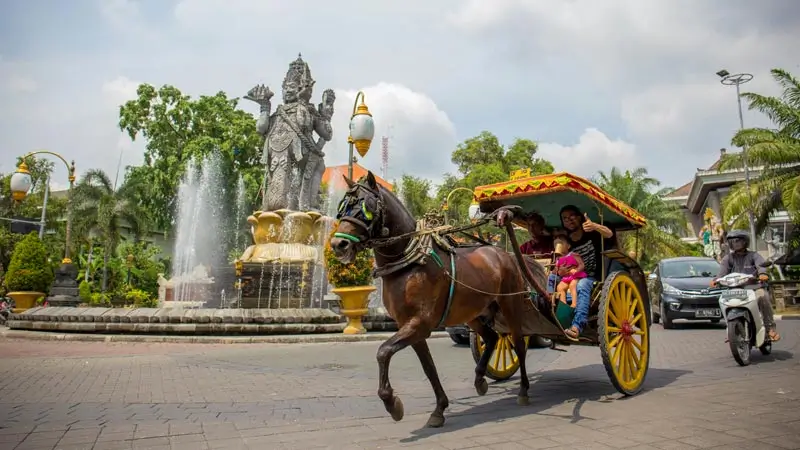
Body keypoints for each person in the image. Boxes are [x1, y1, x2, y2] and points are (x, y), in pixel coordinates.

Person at [712, 229, 780, 342]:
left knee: (763, 297)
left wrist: (762, 273)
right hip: (735, 290)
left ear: (745, 242)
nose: (735, 243)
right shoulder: (728, 258)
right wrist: (716, 280)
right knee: (722, 300)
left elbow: (761, 266)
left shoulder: (754, 255)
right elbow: (722, 273)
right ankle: (731, 329)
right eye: (733, 241)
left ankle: (770, 329)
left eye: (738, 241)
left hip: (753, 288)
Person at [558, 205, 614, 339]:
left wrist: (594, 226)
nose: (569, 220)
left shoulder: (592, 232)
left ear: (579, 217)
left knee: (582, 285)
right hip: (572, 277)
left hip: (593, 277)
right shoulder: (566, 241)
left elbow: (609, 234)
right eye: (565, 218)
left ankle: (577, 325)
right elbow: (560, 262)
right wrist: (562, 271)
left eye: (572, 216)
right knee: (555, 285)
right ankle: (560, 319)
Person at [555, 239, 587, 307]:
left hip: (576, 276)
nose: (559, 245)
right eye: (557, 243)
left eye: (561, 243)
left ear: (568, 246)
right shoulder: (558, 258)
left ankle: (574, 303)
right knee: (559, 287)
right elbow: (557, 270)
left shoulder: (573, 254)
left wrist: (577, 270)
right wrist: (557, 271)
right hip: (566, 277)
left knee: (572, 285)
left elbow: (582, 264)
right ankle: (563, 304)